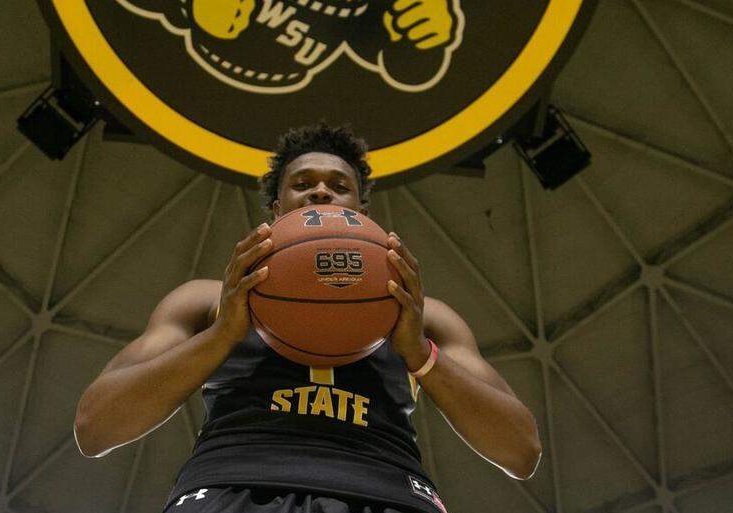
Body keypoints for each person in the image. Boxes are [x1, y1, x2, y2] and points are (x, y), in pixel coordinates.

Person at [74, 123, 541, 513]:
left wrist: (418, 353)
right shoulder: (205, 301)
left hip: (387, 490)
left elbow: (521, 451)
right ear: (277, 210)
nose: (321, 190)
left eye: (340, 186)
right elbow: (96, 428)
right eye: (302, 183)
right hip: (229, 485)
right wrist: (223, 335)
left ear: (360, 212)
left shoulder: (425, 315)